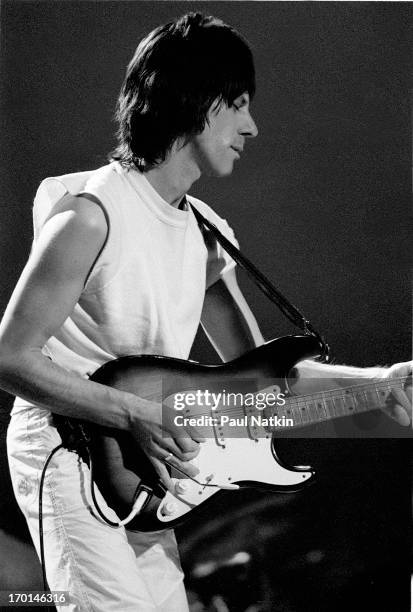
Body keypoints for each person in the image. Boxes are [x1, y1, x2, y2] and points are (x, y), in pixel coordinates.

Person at [0, 11, 411, 612]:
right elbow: (9, 356)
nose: (252, 126)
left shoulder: (207, 236)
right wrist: (136, 413)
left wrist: (382, 385)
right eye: (239, 103)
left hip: (143, 466)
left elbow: (258, 388)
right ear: (195, 99)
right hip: (65, 451)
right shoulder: (91, 213)